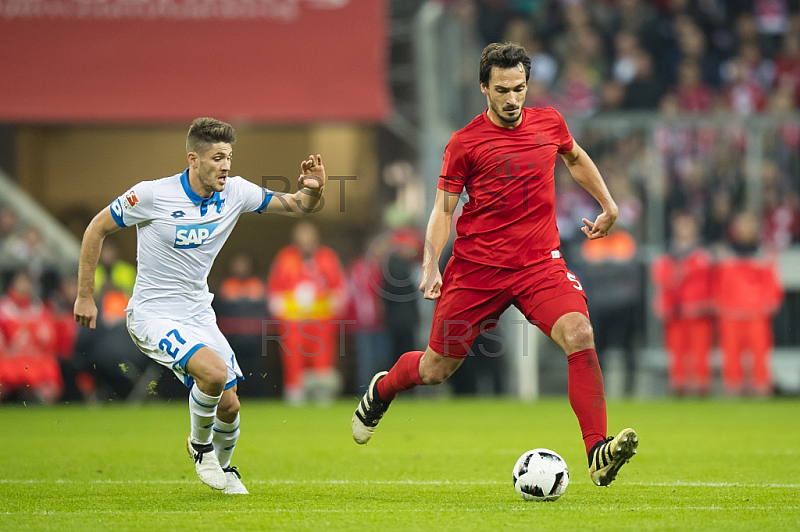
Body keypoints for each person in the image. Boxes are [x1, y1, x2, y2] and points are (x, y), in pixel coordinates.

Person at [351, 42, 638, 487]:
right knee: (434, 370)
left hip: (539, 264)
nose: (511, 99)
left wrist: (608, 204)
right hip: (477, 269)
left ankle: (596, 451)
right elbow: (443, 210)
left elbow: (575, 157)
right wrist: (431, 266)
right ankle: (383, 388)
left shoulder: (550, 122)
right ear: (484, 87)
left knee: (580, 333)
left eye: (519, 89)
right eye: (502, 89)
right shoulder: (464, 143)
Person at [73, 117, 326, 493]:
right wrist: (85, 295)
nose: (226, 165)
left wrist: (315, 189)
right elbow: (97, 227)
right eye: (217, 158)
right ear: (194, 159)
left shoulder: (236, 192)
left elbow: (298, 206)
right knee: (212, 372)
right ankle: (200, 447)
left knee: (230, 405)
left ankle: (223, 471)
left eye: (229, 157)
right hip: (152, 314)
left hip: (197, 312)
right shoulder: (152, 195)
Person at [266, 221, 346, 405]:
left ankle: (322, 394)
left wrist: (331, 305)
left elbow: (339, 288)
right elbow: (274, 289)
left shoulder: (328, 257)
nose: (306, 242)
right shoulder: (285, 258)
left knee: (323, 356)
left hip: (321, 320)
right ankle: (295, 393)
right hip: (293, 322)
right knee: (293, 357)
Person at [714, 212, 783, 396]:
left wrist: (771, 301)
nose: (745, 228)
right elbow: (716, 282)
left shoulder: (764, 253)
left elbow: (772, 281)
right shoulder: (724, 252)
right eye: (741, 223)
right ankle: (733, 387)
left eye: (748, 223)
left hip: (756, 312)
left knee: (760, 353)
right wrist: (718, 301)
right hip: (730, 311)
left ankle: (761, 387)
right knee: (731, 353)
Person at [651, 212, 714, 396]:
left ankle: (701, 386)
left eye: (687, 225)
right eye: (680, 225)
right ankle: (678, 386)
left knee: (700, 350)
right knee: (677, 350)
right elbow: (662, 279)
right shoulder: (671, 253)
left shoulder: (702, 253)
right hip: (675, 310)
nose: (683, 229)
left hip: (698, 309)